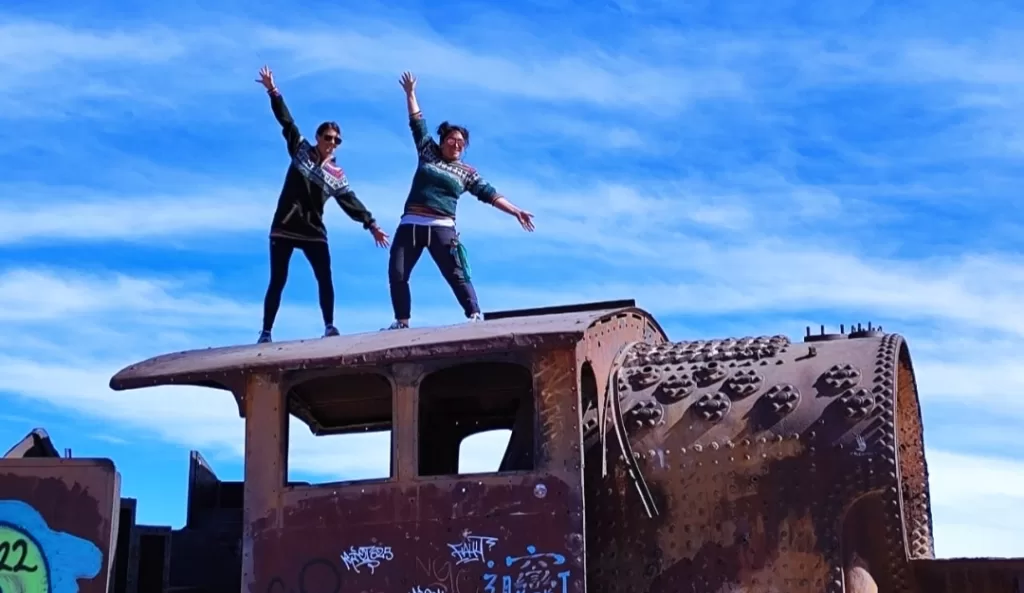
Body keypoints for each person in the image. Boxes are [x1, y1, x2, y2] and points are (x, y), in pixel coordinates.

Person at [385, 71, 535, 330]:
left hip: (441, 227)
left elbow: (490, 194)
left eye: (461, 143)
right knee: (397, 274)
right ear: (442, 141)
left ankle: (475, 315)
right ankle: (401, 321)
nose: (456, 145)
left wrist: (516, 211)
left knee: (456, 274)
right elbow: (417, 123)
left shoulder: (467, 173)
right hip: (410, 225)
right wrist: (410, 94)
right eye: (452, 140)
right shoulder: (427, 151)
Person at [255, 65, 390, 344]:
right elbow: (287, 123)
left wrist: (372, 224)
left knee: (325, 278)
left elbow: (351, 202)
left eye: (336, 140)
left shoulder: (337, 175)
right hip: (284, 226)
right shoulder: (301, 150)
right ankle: (266, 331)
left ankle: (329, 326)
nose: (332, 143)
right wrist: (273, 91)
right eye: (327, 138)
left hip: (313, 230)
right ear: (318, 138)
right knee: (278, 280)